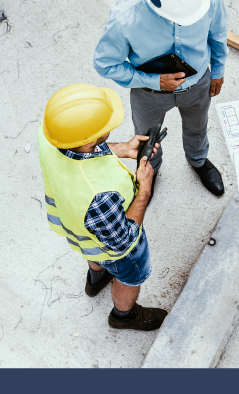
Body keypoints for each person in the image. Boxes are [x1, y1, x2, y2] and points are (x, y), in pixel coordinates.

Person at [37, 83, 167, 331]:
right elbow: (123, 241)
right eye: (104, 128)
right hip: (115, 244)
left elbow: (80, 152)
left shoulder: (49, 133)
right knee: (130, 275)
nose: (110, 127)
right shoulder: (100, 197)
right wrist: (145, 188)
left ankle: (96, 279)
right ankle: (123, 314)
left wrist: (123, 149)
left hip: (76, 228)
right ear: (89, 140)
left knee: (95, 254)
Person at [93, 0, 227, 196]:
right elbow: (106, 64)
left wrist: (217, 71)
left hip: (198, 86)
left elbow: (217, 33)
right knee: (147, 138)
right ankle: (150, 171)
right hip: (149, 95)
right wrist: (154, 81)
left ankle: (198, 160)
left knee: (198, 127)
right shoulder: (125, 17)